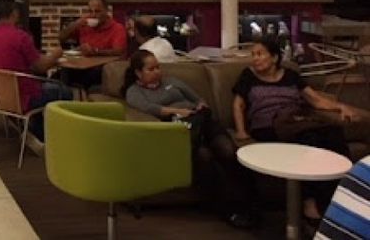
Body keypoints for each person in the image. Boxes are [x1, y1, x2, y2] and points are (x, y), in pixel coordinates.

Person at [232, 36, 363, 222]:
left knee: (333, 134)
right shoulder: (248, 76)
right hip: (267, 125)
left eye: (260, 54)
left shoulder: (291, 76)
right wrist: (241, 131)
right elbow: (238, 105)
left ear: (274, 57)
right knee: (309, 141)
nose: (255, 58)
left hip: (295, 120)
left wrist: (340, 107)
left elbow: (315, 100)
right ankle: (309, 202)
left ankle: (342, 195)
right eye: (253, 54)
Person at [124, 50, 257, 228]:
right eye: (151, 69)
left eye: (158, 67)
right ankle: (229, 211)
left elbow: (198, 99)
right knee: (204, 157)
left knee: (227, 150)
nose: (157, 72)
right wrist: (178, 111)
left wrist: (200, 106)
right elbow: (150, 108)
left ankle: (250, 203)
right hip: (180, 126)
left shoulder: (172, 82)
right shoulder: (134, 92)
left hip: (201, 121)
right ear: (138, 72)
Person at [0, 0, 68, 145]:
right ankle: (56, 139)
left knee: (46, 88)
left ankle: (37, 135)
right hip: (24, 96)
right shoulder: (21, 37)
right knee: (64, 91)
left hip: (1, 97)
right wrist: (57, 53)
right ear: (14, 13)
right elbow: (40, 66)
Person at [60, 0, 126, 57]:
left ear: (106, 11)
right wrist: (75, 24)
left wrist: (95, 51)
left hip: (106, 64)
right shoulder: (85, 25)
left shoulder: (117, 28)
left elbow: (118, 51)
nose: (93, 15)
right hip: (83, 62)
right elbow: (61, 38)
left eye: (97, 11)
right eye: (90, 11)